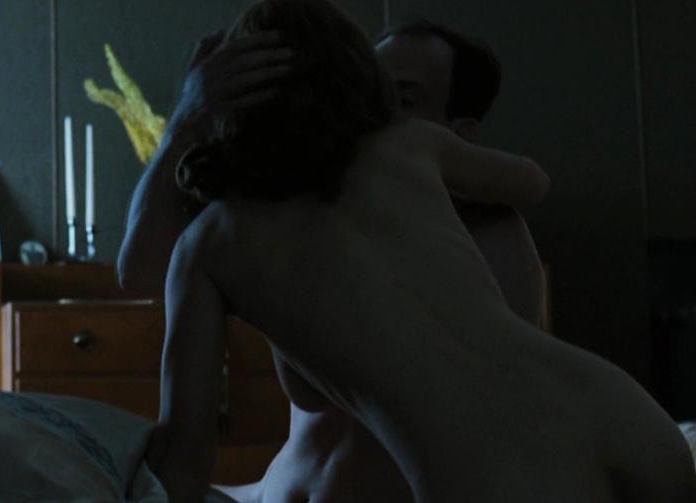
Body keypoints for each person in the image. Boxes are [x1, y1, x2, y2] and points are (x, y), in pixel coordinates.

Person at [121, 0, 696, 501]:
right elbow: (531, 180)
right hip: (621, 413)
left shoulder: (217, 240)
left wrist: (188, 125)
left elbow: (184, 461)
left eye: (403, 96)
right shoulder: (407, 152)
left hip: (497, 476)